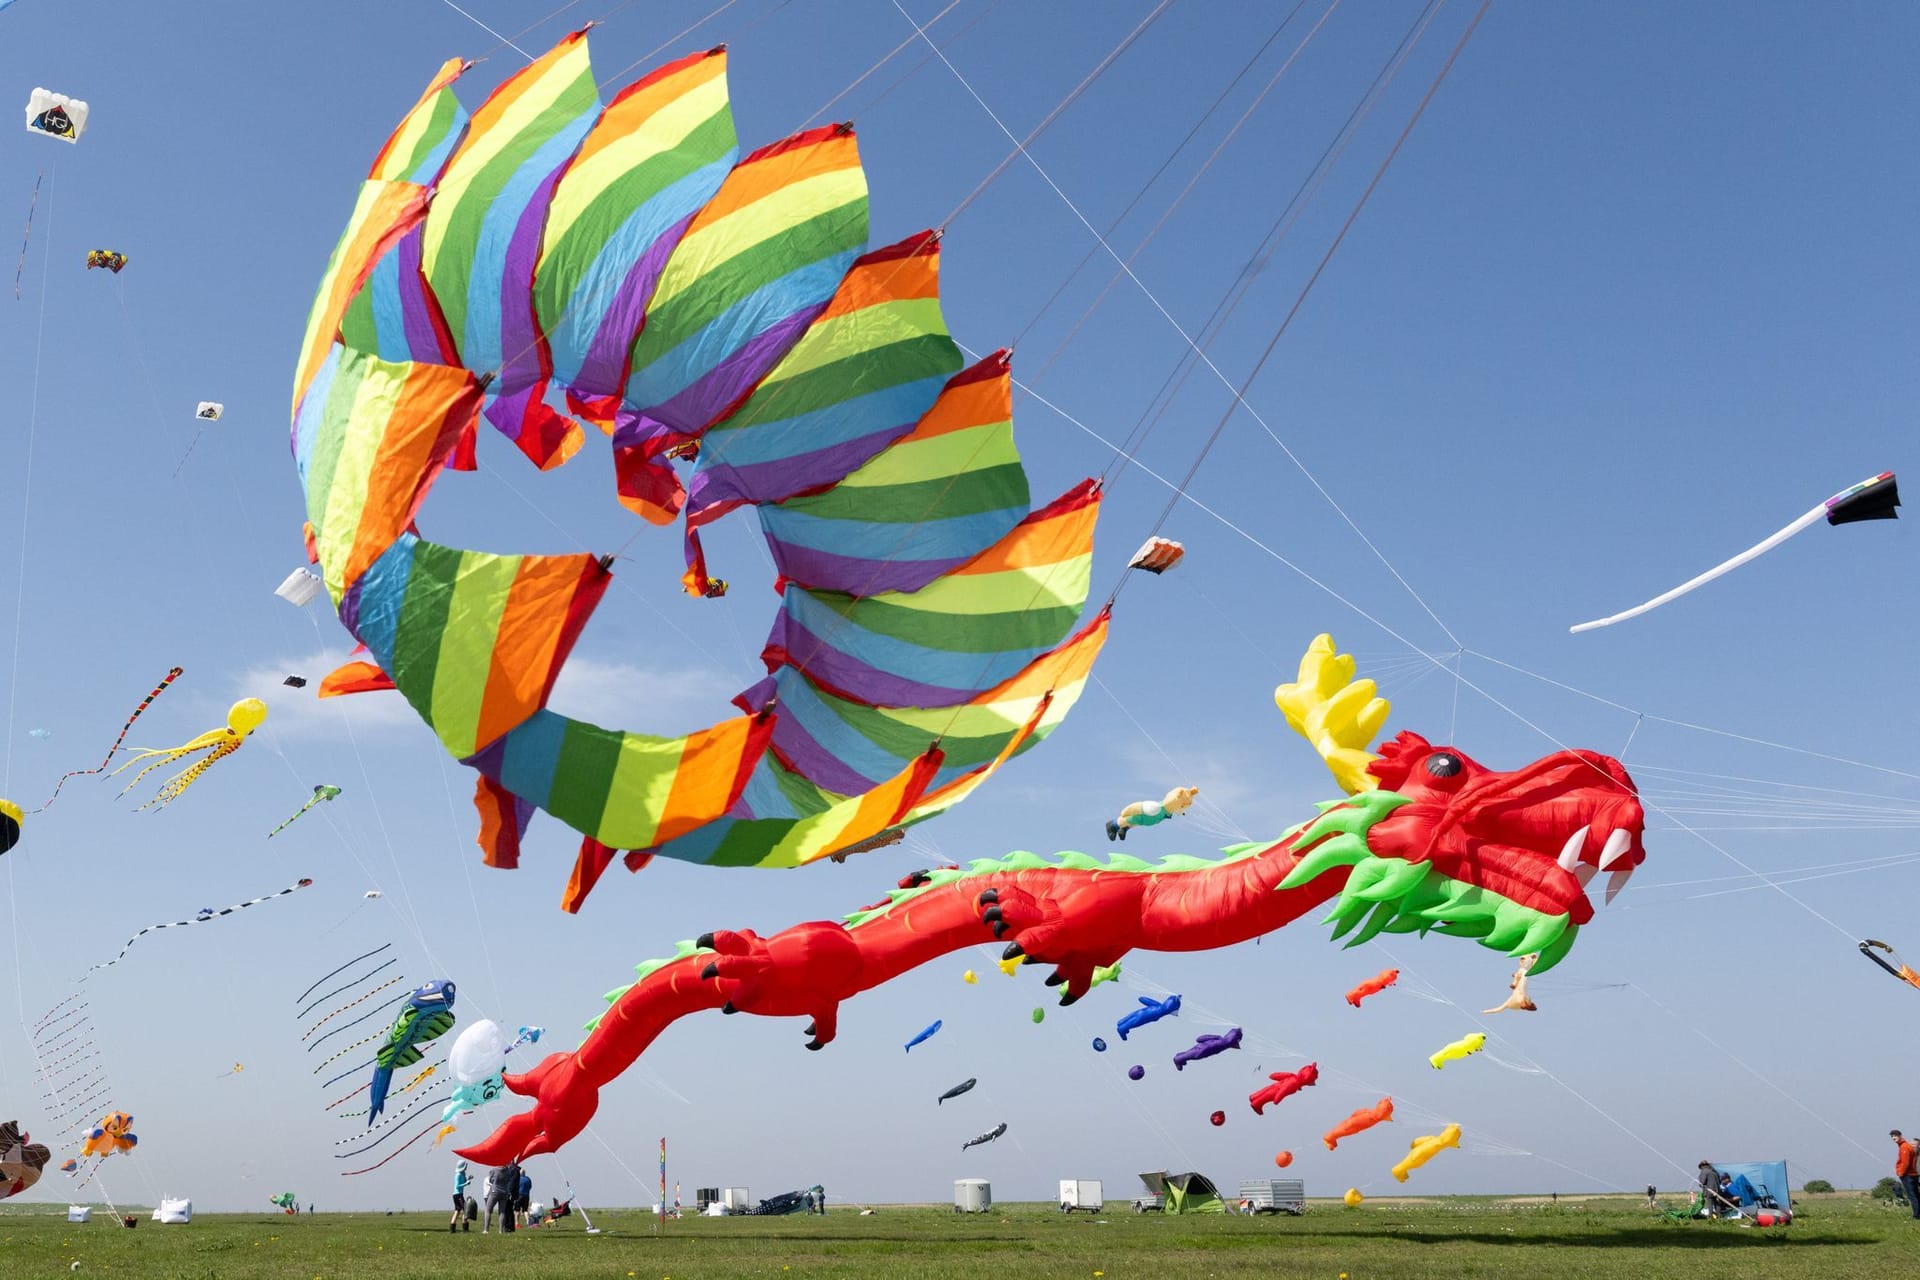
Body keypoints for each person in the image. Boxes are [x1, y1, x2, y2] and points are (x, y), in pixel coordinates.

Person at [484, 1161, 520, 1234]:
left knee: (488, 1210)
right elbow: (509, 1180)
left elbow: (490, 1180)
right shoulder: (508, 1171)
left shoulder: (494, 1170)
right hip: (504, 1192)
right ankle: (501, 1230)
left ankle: (486, 1229)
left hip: (495, 1192)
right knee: (502, 1212)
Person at [1894, 1129, 1920, 1218]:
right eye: (1892, 1136)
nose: (1894, 1138)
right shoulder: (1906, 1146)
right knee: (1915, 1195)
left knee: (1912, 1195)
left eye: (1895, 1136)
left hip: (1908, 1175)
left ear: (1900, 1136)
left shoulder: (1904, 1147)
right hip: (1913, 1175)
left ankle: (1916, 1215)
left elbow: (1906, 1163)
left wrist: (1901, 1172)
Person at [451, 1160, 471, 1233]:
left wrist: (468, 1179)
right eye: (465, 1166)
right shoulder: (458, 1175)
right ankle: (465, 1228)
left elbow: (465, 1181)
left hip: (460, 1194)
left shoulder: (463, 1174)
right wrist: (466, 1183)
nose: (466, 1167)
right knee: (465, 1211)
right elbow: (457, 1186)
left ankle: (452, 1229)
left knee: (457, 1211)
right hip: (457, 1195)